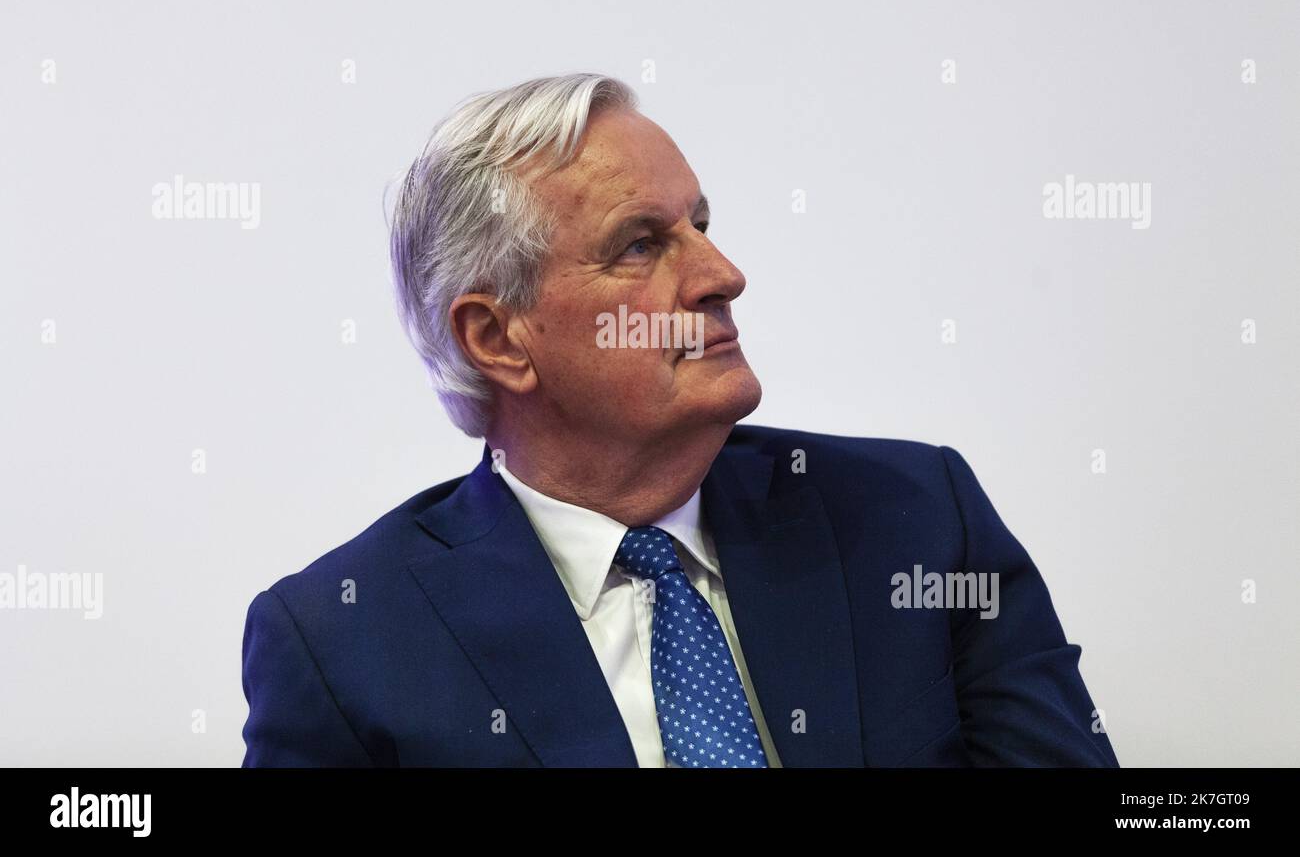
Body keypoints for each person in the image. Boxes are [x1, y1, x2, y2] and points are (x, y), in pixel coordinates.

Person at [240, 73, 1119, 767]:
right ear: (498, 337)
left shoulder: (915, 520)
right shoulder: (344, 642)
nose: (722, 273)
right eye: (641, 245)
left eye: (701, 226)